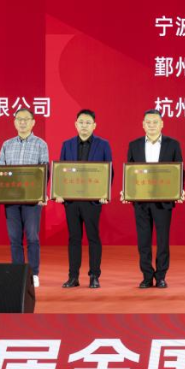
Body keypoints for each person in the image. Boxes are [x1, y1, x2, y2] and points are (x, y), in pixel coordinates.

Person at [122, 109, 184, 289]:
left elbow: (180, 171)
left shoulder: (173, 145)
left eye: (155, 122)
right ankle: (147, 276)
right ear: (143, 125)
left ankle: (161, 276)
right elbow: (130, 172)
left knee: (163, 241)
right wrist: (127, 191)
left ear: (162, 124)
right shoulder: (134, 145)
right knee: (143, 241)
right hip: (141, 200)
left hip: (164, 200)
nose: (151, 125)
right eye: (148, 122)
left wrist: (178, 190)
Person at [57, 109, 113, 289]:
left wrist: (105, 194)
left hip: (92, 200)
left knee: (93, 237)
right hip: (71, 200)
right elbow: (61, 171)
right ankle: (73, 276)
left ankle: (94, 276)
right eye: (81, 122)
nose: (84, 126)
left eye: (88, 123)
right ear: (75, 124)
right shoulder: (67, 145)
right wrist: (59, 193)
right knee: (74, 238)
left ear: (94, 125)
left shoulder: (103, 145)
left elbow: (109, 171)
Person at [0, 108, 49, 288]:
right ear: (14, 122)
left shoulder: (41, 144)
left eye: (26, 119)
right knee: (14, 238)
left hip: (32, 199)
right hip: (11, 199)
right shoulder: (7, 145)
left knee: (32, 236)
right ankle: (18, 273)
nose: (22, 122)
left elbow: (44, 172)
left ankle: (33, 273)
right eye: (19, 119)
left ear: (33, 122)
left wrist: (41, 194)